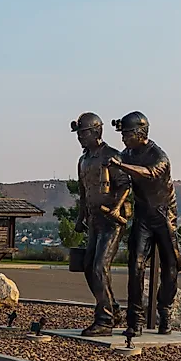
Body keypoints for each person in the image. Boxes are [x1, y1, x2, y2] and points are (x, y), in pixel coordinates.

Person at [109, 111, 181, 336]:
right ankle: (135, 320)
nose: (123, 138)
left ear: (140, 133)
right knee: (135, 266)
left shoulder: (159, 156)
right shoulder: (126, 153)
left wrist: (122, 166)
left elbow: (149, 173)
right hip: (142, 217)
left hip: (164, 216)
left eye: (127, 134)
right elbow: (119, 178)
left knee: (171, 266)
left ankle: (165, 311)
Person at [70, 112, 132, 337]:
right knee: (88, 267)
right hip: (94, 220)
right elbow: (84, 192)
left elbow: (125, 185)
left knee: (99, 267)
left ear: (97, 131)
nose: (80, 138)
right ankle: (113, 309)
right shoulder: (83, 160)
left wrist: (117, 207)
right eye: (78, 134)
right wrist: (80, 217)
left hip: (111, 221)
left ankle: (104, 320)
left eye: (83, 133)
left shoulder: (112, 156)